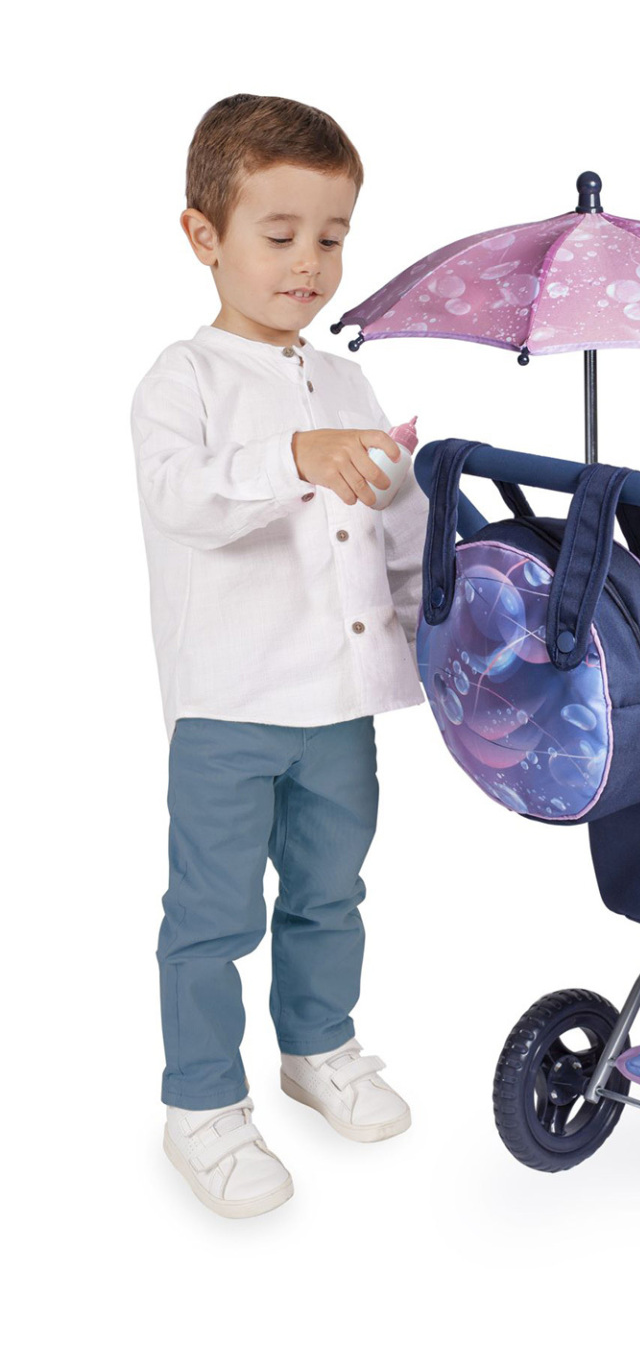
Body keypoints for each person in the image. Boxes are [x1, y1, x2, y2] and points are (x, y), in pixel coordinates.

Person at [132, 94, 426, 1216]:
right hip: (229, 706)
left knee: (330, 894)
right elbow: (184, 499)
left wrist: (429, 628)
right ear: (204, 235)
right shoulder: (184, 381)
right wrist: (295, 455)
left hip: (340, 705)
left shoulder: (347, 381)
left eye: (333, 237)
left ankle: (318, 1046)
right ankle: (203, 1105)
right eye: (281, 233)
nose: (310, 263)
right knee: (212, 917)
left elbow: (395, 526)